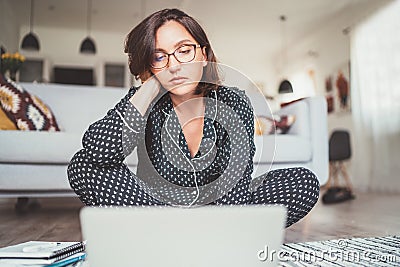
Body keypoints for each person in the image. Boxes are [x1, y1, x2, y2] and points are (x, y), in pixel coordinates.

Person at [67, 8, 319, 227]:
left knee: (303, 181)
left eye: (184, 50)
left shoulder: (234, 102)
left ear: (204, 54)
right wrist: (150, 87)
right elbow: (97, 152)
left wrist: (218, 220)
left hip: (222, 210)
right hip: (157, 210)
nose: (174, 65)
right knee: (83, 164)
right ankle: (179, 232)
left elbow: (235, 185)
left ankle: (193, 237)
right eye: (159, 56)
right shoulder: (144, 101)